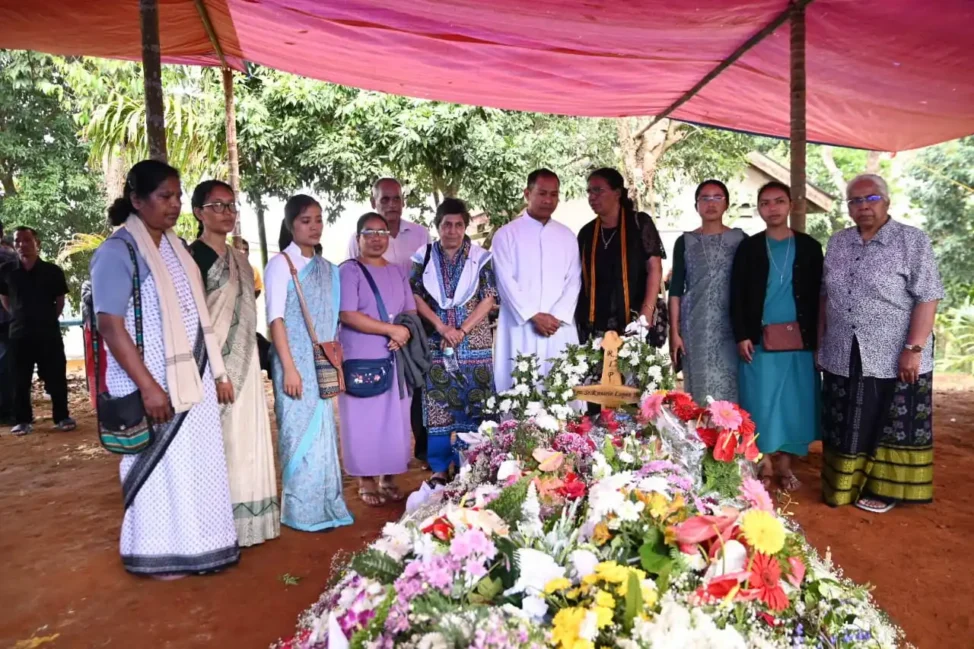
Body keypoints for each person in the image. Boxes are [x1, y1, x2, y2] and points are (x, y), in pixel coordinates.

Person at [89, 160, 239, 577]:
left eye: (177, 196)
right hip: (150, 384)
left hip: (191, 380)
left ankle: (202, 548)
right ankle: (156, 553)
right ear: (137, 200)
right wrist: (149, 386)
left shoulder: (175, 249)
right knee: (162, 472)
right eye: (164, 196)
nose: (174, 205)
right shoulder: (117, 252)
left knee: (196, 464)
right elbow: (110, 325)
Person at [819, 174, 944, 513]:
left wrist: (914, 349)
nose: (863, 206)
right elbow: (825, 295)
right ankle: (844, 486)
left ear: (886, 201)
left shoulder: (911, 241)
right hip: (843, 349)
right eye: (855, 201)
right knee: (846, 418)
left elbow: (928, 297)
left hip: (895, 351)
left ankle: (885, 490)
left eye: (871, 198)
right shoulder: (838, 242)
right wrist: (821, 343)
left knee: (889, 421)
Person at [190, 181, 280, 547]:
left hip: (247, 362)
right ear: (198, 212)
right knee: (219, 443)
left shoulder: (241, 260)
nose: (227, 212)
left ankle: (252, 524)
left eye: (231, 205)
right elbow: (196, 321)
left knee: (248, 439)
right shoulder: (191, 258)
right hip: (212, 368)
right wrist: (216, 371)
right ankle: (218, 527)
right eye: (217, 205)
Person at [265, 195, 353, 532]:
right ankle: (301, 511)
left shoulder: (328, 269)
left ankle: (327, 505)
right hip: (294, 363)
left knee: (323, 433)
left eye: (318, 219)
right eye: (306, 220)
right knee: (297, 433)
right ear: (291, 225)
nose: (314, 227)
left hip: (321, 364)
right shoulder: (280, 265)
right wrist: (289, 367)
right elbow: (275, 319)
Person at [730, 181, 823, 492]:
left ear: (791, 206)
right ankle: (765, 464)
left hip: (800, 340)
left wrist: (820, 340)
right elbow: (737, 295)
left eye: (779, 201)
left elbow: (821, 296)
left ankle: (786, 466)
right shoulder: (749, 247)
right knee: (760, 402)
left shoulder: (810, 247)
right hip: (759, 341)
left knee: (795, 403)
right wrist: (742, 334)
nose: (773, 208)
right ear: (759, 209)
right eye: (765, 203)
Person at [410, 198, 498, 484]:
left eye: (459, 225)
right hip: (437, 342)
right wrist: (442, 327)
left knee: (476, 402)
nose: (452, 230)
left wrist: (461, 330)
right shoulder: (423, 256)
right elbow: (414, 295)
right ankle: (439, 467)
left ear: (465, 226)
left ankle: (472, 465)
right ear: (438, 226)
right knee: (438, 406)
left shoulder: (480, 257)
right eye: (447, 224)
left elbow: (489, 298)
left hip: (474, 343)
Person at [348, 177, 432, 467]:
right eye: (385, 199)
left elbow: (424, 280)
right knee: (374, 402)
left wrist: (406, 330)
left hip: (411, 327)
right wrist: (389, 330)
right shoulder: (356, 245)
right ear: (374, 201)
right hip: (369, 336)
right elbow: (353, 283)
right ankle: (370, 471)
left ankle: (416, 454)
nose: (392, 204)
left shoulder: (419, 234)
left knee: (411, 394)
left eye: (396, 198)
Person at [340, 212, 418, 506]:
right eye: (369, 232)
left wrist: (404, 332)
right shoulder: (349, 271)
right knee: (364, 418)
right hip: (362, 354)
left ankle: (388, 476)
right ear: (358, 238)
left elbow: (409, 311)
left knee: (394, 417)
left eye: (382, 232)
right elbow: (347, 314)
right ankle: (366, 479)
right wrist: (390, 330)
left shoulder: (398, 271)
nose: (376, 238)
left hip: (396, 353)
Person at [492, 169, 581, 392]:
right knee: (520, 391)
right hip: (520, 326)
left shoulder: (567, 235)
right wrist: (532, 315)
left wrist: (557, 316)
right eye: (542, 193)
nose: (548, 200)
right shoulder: (506, 235)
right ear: (527, 194)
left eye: (554, 194)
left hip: (558, 328)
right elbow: (504, 281)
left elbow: (574, 280)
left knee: (561, 390)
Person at [668, 180, 747, 403]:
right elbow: (675, 289)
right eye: (705, 198)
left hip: (731, 327)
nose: (711, 203)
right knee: (699, 390)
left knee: (732, 388)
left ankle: (731, 428)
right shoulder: (685, 241)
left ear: (727, 204)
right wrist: (674, 332)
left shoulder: (740, 239)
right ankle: (700, 427)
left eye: (717, 197)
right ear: (696, 205)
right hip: (695, 326)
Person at [576, 167, 666, 344]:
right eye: (589, 191)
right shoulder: (587, 233)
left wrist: (646, 313)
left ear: (617, 193)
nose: (592, 197)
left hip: (635, 319)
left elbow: (655, 268)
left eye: (598, 190)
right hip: (597, 322)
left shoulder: (639, 223)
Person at [0, 226, 75, 435]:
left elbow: (60, 301)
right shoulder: (6, 271)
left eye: (27, 240)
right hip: (18, 333)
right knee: (19, 379)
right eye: (17, 241)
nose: (22, 245)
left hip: (48, 333)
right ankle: (23, 420)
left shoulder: (52, 271)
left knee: (56, 375)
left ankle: (62, 417)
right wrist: (18, 316)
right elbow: (5, 298)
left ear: (37, 243)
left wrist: (47, 319)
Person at [0, 222, 16, 425]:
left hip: (6, 318)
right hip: (8, 318)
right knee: (8, 364)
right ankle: (9, 411)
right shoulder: (11, 256)